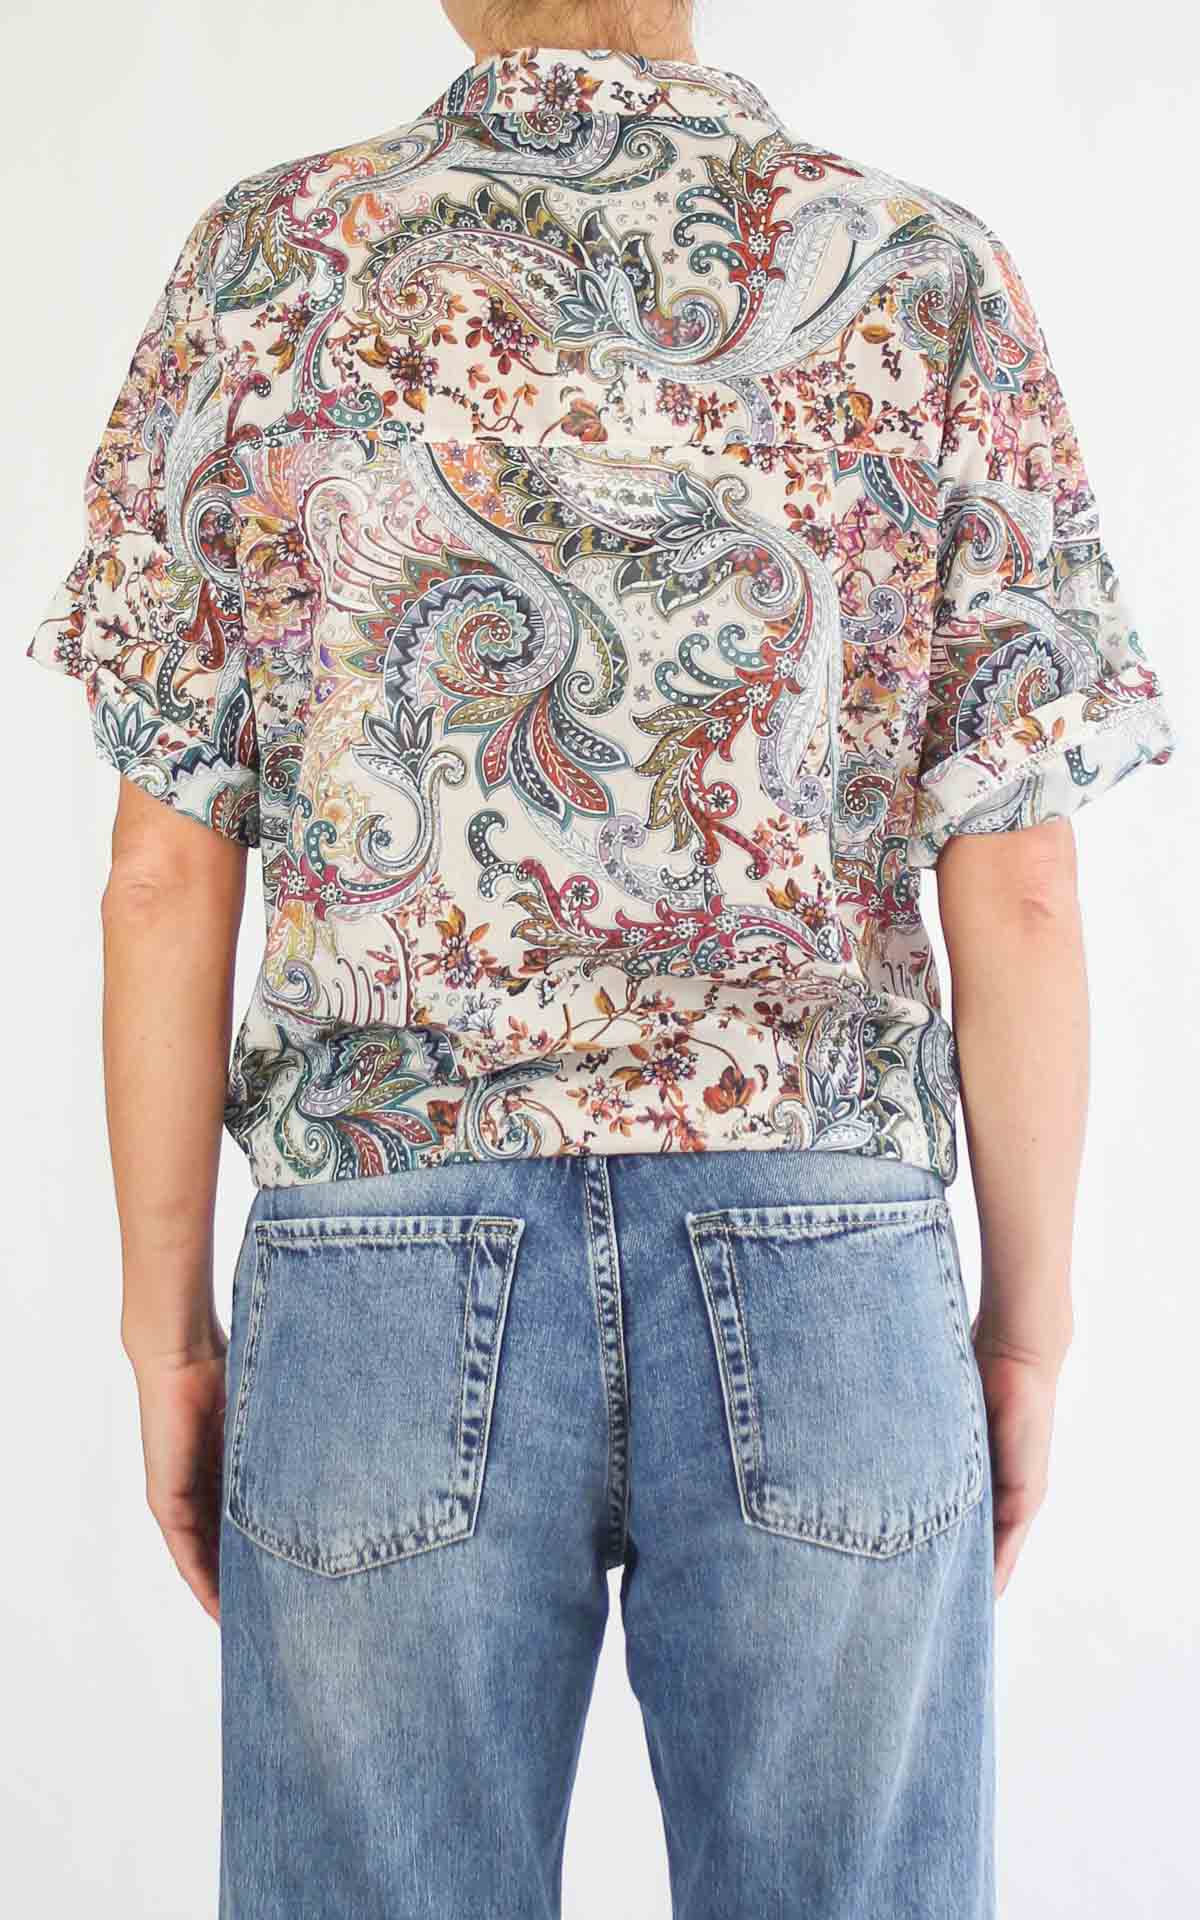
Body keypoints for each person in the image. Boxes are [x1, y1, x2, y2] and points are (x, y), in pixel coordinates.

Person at [26, 2, 1179, 1915]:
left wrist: (169, 1334)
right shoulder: (919, 274)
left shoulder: (271, 264)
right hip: (823, 1250)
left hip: (383, 1254)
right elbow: (1027, 889)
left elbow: (160, 880)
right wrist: (1026, 1332)